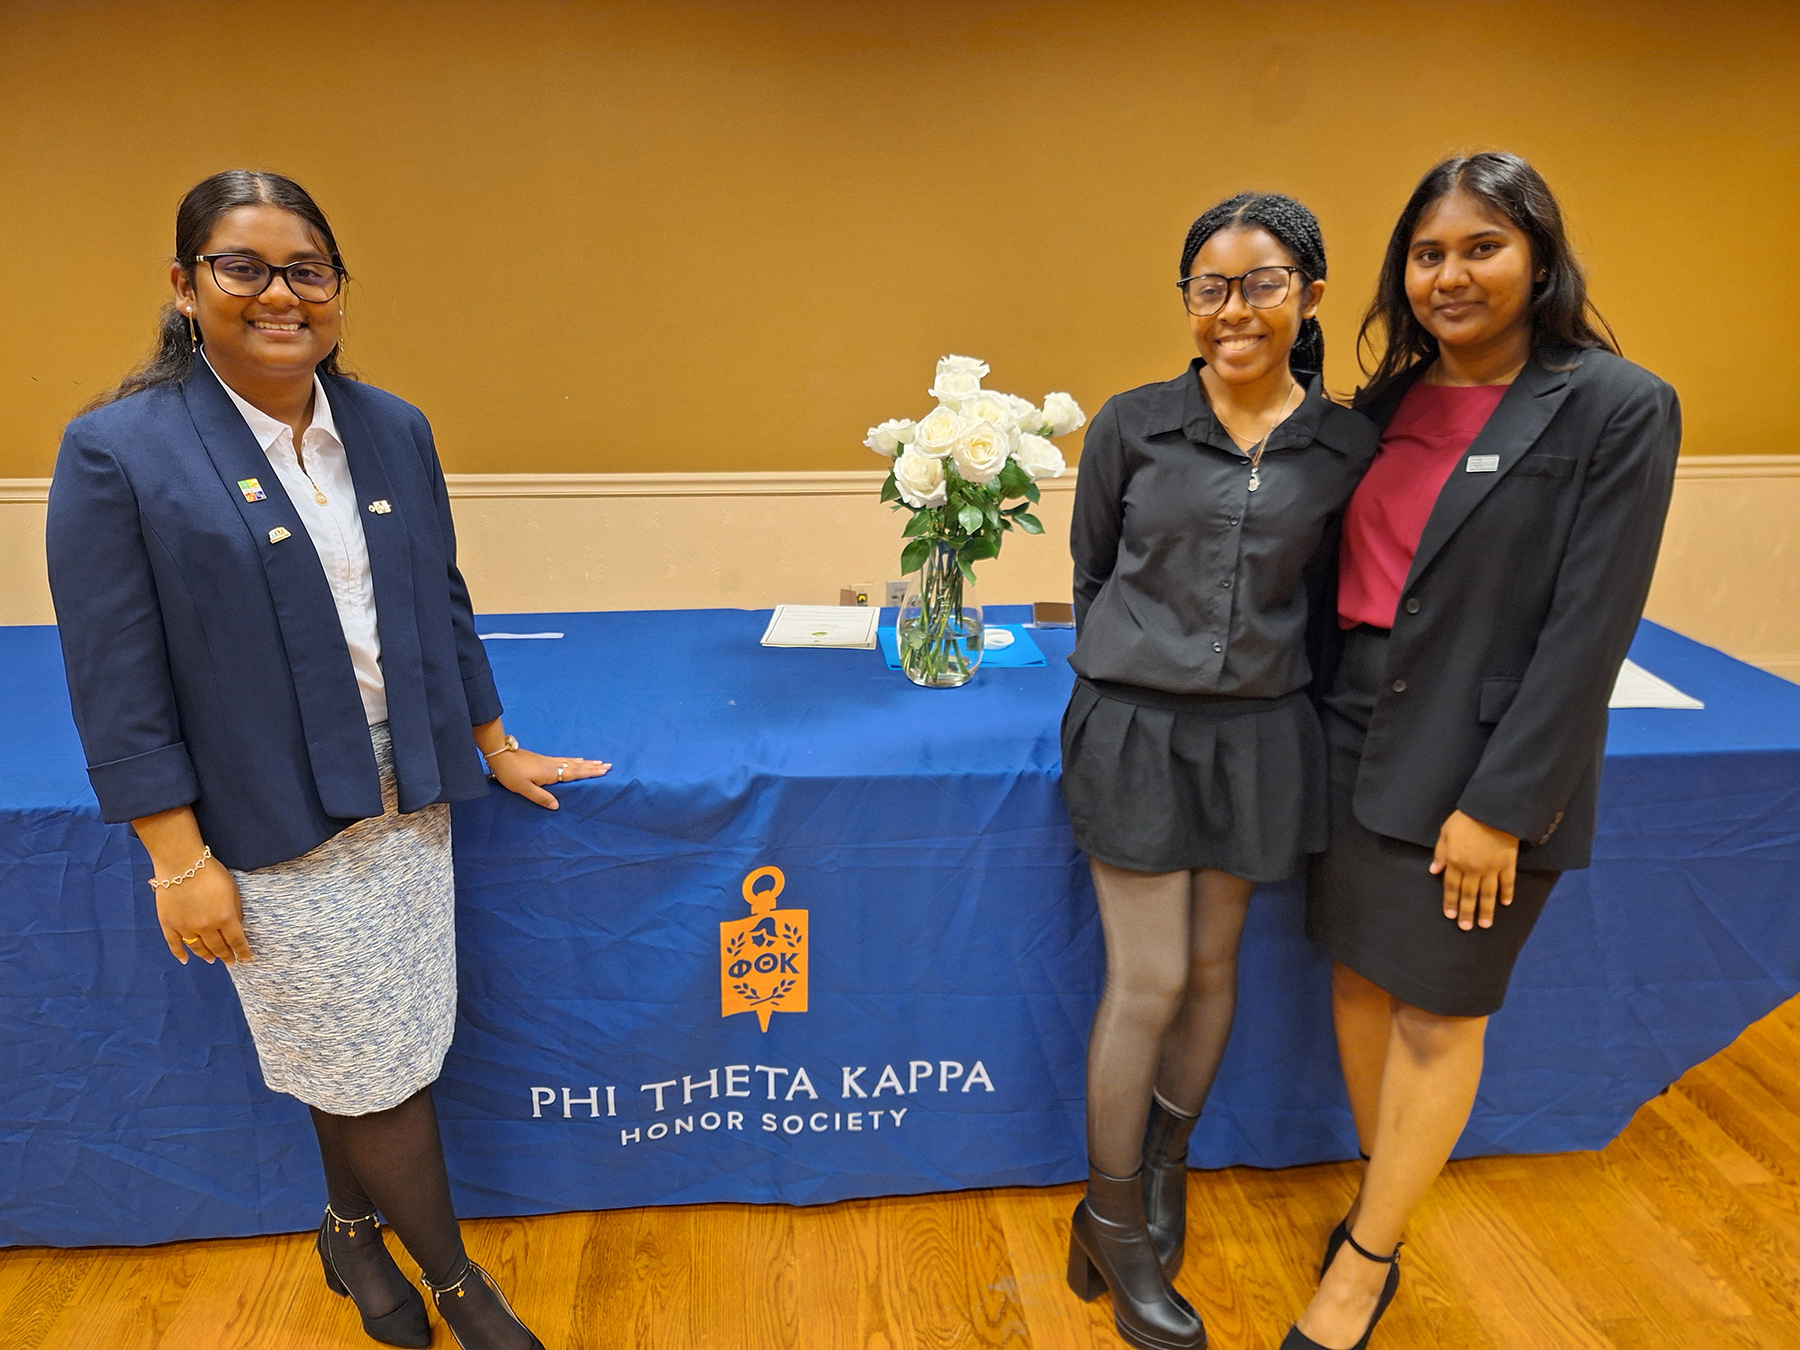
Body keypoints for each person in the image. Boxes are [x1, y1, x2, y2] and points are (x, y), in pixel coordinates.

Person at [46, 169, 608, 1350]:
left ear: (338, 290)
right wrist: (172, 857)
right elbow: (114, 675)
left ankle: (349, 1233)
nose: (278, 294)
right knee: (371, 1066)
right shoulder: (118, 452)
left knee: (360, 1043)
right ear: (185, 285)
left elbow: (440, 604)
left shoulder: (393, 428)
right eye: (241, 267)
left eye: (306, 270)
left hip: (407, 795)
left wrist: (492, 743)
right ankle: (461, 1290)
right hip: (265, 818)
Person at [1284, 153, 1681, 1350]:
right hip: (1349, 730)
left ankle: (1366, 1262)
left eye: (1481, 247)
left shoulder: (1616, 404)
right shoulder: (1385, 401)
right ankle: (1379, 1194)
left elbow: (1589, 628)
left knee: (1439, 1016)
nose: (1448, 274)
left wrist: (1505, 806)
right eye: (1426, 253)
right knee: (1356, 977)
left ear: (1541, 258)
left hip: (1485, 762)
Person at [1060, 193, 1376, 1350]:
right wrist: (1139, 675)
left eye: (1262, 281)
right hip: (1135, 729)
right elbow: (1094, 573)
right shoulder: (1133, 424)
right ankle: (1112, 1222)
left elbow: (1336, 606)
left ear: (1310, 295)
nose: (1234, 308)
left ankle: (1163, 1165)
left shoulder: (1346, 446)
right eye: (1210, 285)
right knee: (1144, 981)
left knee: (1212, 969)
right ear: (1188, 300)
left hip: (1261, 733)